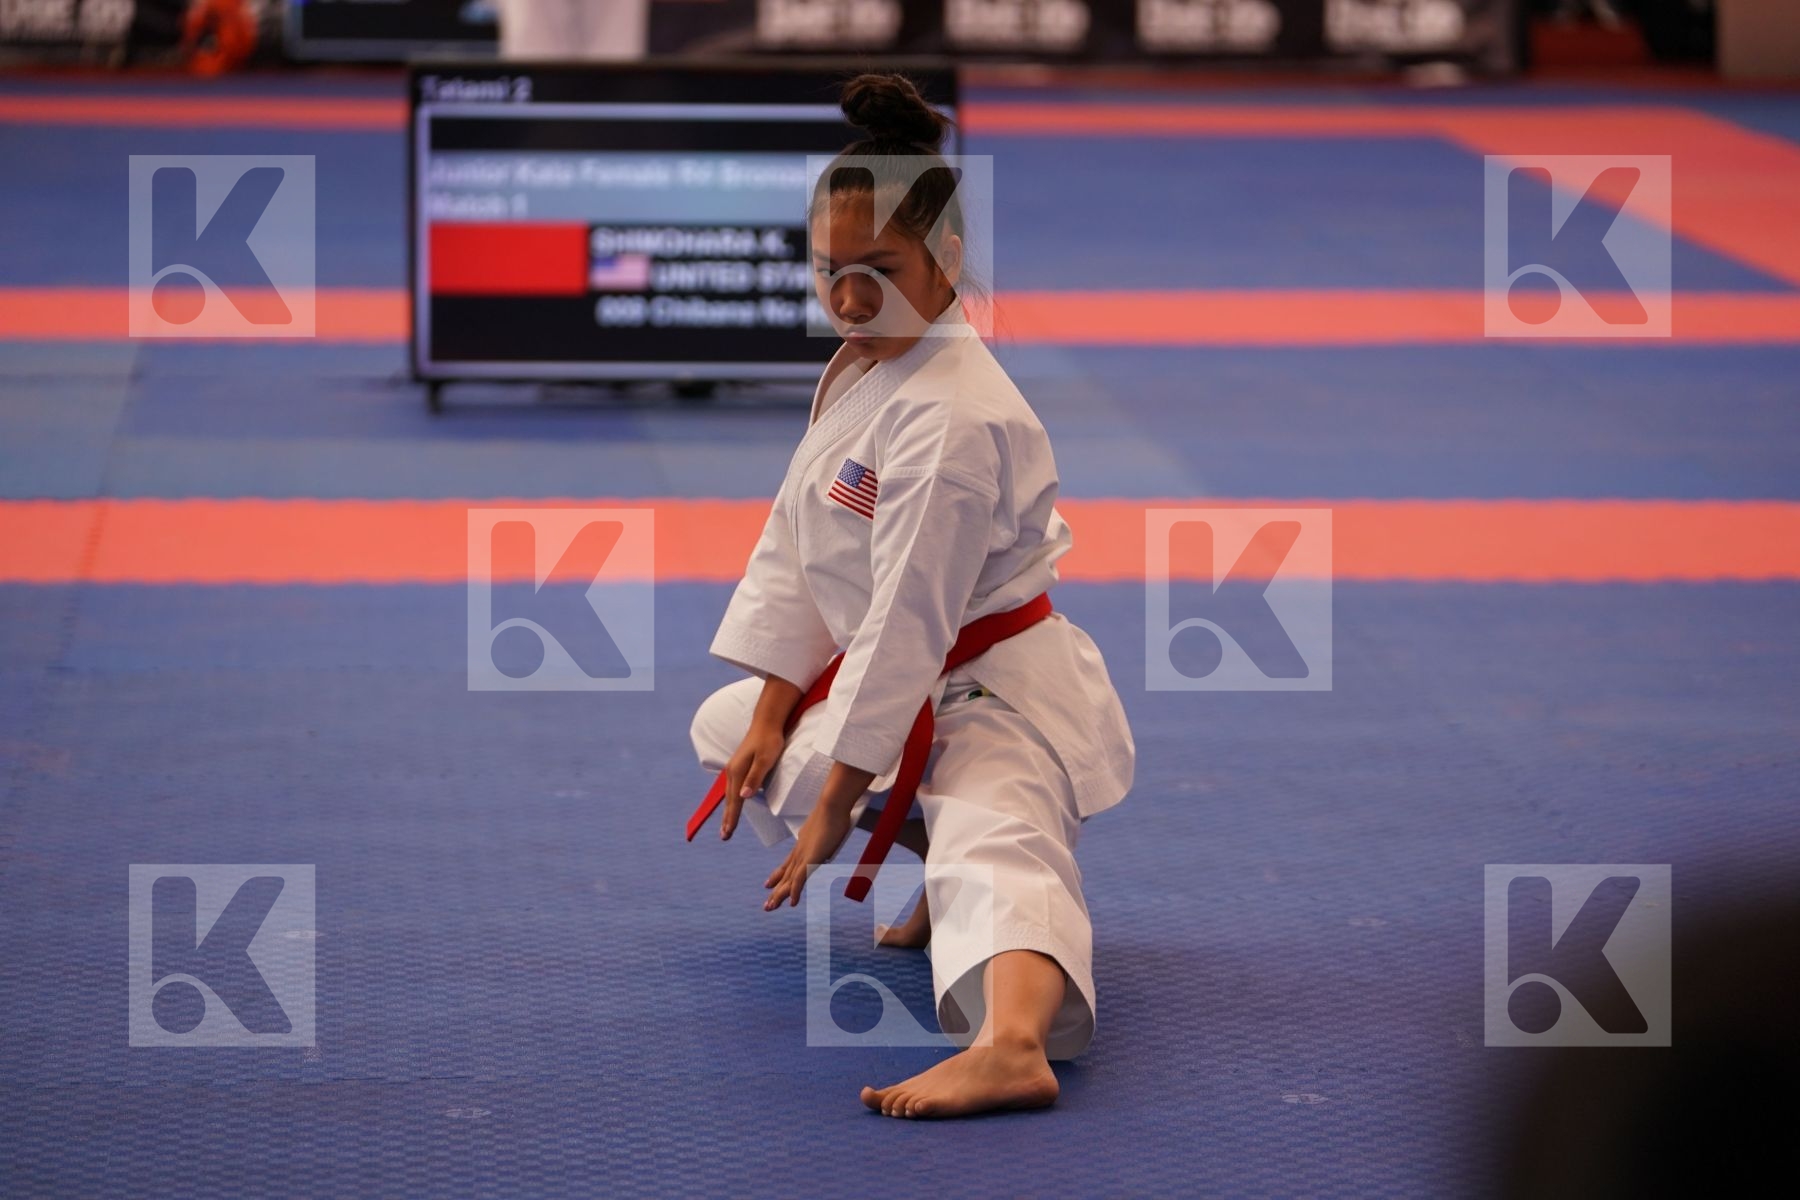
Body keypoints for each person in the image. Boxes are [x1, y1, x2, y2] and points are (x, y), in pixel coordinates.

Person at [687, 72, 1135, 1120]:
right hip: (911, 674)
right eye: (829, 271)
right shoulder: (863, 366)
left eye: (879, 271)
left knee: (996, 830)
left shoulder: (952, 422)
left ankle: (1013, 1044)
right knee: (732, 735)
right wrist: (767, 710)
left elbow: (904, 626)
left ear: (947, 262)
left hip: (989, 683)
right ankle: (935, 860)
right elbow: (802, 546)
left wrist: (841, 809)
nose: (849, 299)